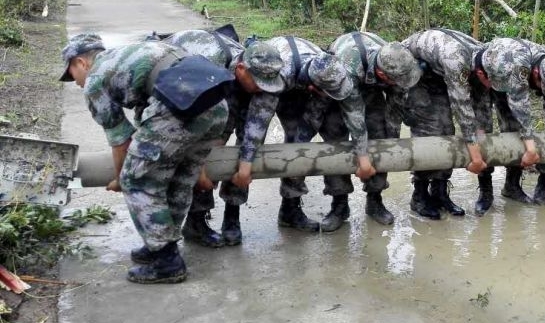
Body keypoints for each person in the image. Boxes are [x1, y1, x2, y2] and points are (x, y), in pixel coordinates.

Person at [60, 33, 228, 284]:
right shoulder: (128, 55)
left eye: (71, 73)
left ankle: (166, 260)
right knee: (180, 179)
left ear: (82, 62)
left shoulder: (96, 79)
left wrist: (121, 179)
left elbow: (121, 141)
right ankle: (159, 244)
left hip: (180, 105)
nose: (75, 83)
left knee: (137, 181)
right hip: (216, 104)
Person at [160, 29, 285, 247]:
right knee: (208, 146)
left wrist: (245, 168)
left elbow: (255, 130)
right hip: (198, 82)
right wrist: (199, 170)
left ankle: (232, 216)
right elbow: (189, 128)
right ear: (241, 69)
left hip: (230, 84)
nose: (262, 89)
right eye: (258, 83)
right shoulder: (206, 69)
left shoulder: (267, 76)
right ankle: (196, 221)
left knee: (248, 151)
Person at [261, 35, 363, 233]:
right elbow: (259, 121)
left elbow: (351, 116)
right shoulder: (278, 74)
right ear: (312, 88)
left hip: (314, 76)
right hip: (288, 89)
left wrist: (363, 155)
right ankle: (290, 208)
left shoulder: (333, 70)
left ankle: (340, 206)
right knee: (293, 142)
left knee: (336, 136)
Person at [328, 31, 422, 226]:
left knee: (379, 133)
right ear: (382, 74)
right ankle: (339, 203)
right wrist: (363, 160)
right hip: (340, 84)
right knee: (336, 139)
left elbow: (395, 107)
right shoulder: (348, 67)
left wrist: (391, 143)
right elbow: (354, 117)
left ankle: (375, 200)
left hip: (373, 85)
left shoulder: (398, 66)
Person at [399, 28, 492, 218]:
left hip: (437, 71)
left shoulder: (486, 58)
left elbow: (482, 107)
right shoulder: (456, 60)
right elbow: (462, 106)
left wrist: (483, 137)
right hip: (414, 71)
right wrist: (475, 155)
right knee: (429, 131)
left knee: (446, 130)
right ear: (480, 72)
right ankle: (419, 196)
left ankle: (439, 193)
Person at [472, 37, 545, 212]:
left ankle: (511, 186)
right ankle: (486, 191)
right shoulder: (520, 66)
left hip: (510, 77)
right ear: (535, 73)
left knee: (515, 132)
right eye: (543, 85)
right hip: (486, 75)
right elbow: (522, 108)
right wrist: (531, 150)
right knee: (482, 130)